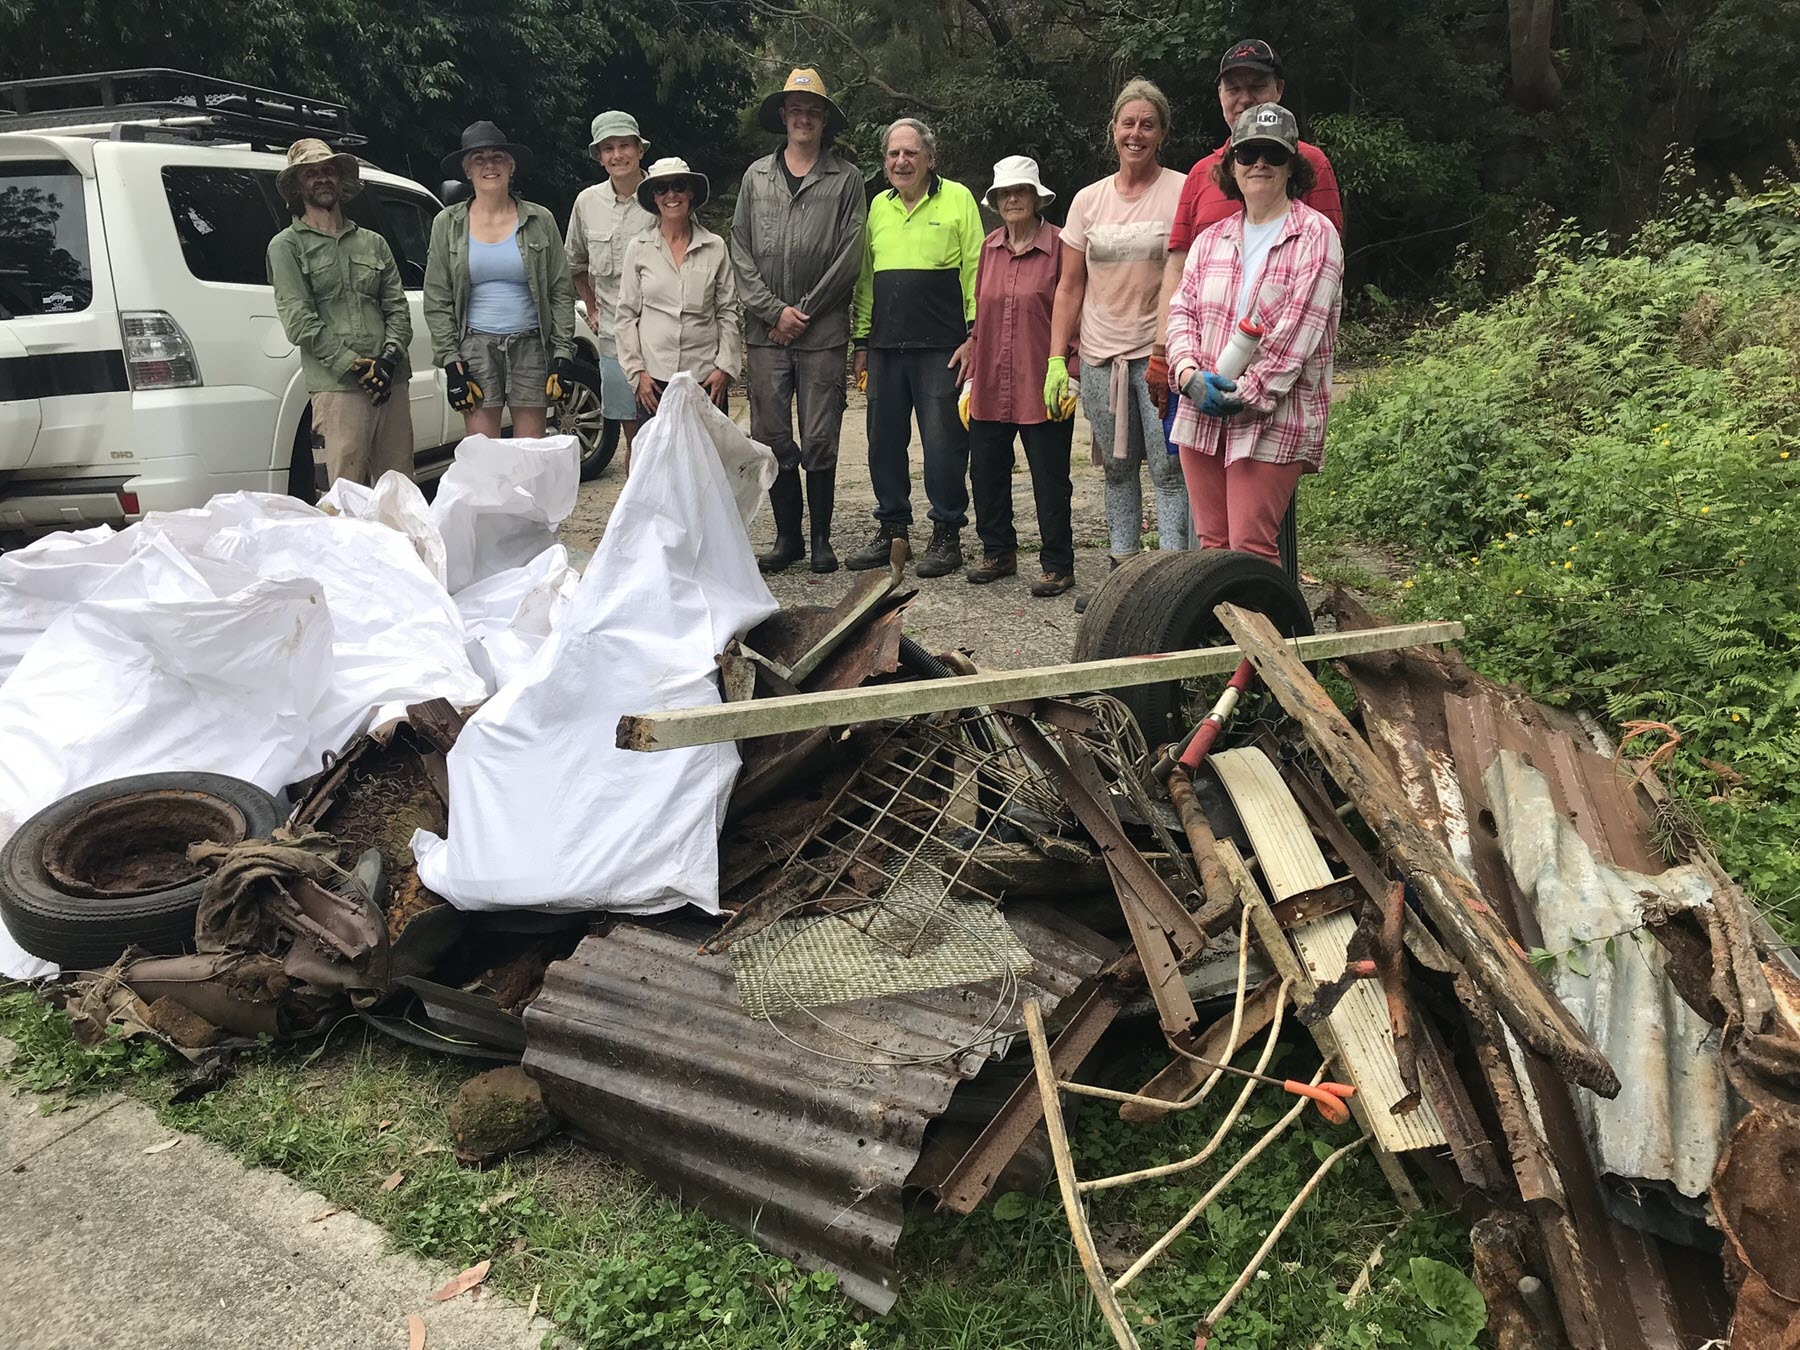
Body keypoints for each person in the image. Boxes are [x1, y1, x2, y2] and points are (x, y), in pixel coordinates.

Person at [1166, 104, 1344, 563]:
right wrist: (1187, 376)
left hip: (1273, 416)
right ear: (1231, 166)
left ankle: (1268, 637)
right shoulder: (1211, 239)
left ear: (1291, 166)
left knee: (1250, 550)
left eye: (1272, 153)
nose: (1259, 163)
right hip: (1200, 411)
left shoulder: (1316, 236)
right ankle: (1217, 637)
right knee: (1211, 552)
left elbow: (1296, 341)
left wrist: (1242, 396)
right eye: (1247, 153)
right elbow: (1181, 312)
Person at [1047, 77, 1192, 592]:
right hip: (1099, 357)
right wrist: (1054, 358)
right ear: (1113, 130)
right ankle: (1123, 578)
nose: (1136, 133)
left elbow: (1188, 276)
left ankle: (1176, 582)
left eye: (1147, 124)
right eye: (1128, 123)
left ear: (1162, 133)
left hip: (1162, 356)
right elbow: (1068, 286)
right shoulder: (1088, 201)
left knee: (1171, 471)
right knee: (1116, 468)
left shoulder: (1181, 190)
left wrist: (1170, 350)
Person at [732, 68, 866, 575]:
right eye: (795, 109)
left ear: (823, 119)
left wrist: (801, 312)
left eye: (812, 110)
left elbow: (850, 255)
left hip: (822, 332)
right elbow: (739, 248)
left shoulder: (847, 180)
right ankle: (787, 538)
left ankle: (822, 541)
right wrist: (773, 311)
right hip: (766, 336)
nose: (803, 117)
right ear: (783, 116)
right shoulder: (755, 177)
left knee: (819, 435)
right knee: (771, 435)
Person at [1157, 39, 1343, 378]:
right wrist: (1163, 354)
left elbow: (1327, 273)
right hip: (1198, 361)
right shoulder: (1200, 174)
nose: (1244, 98)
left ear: (1279, 89)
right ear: (1220, 95)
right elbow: (1178, 267)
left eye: (1257, 86)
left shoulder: (1311, 162)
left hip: (1281, 374)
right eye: (1234, 88)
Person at [847, 118, 984, 577]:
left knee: (944, 444)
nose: (901, 161)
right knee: (883, 443)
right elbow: (867, 278)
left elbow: (975, 269)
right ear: (884, 162)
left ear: (930, 158)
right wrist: (862, 341)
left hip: (941, 347)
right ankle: (892, 529)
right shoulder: (878, 208)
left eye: (910, 153)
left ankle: (947, 533)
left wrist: (974, 334)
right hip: (885, 346)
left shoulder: (959, 198)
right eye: (893, 154)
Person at [961, 156, 1078, 597]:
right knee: (986, 470)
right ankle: (998, 550)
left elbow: (1075, 310)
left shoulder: (1062, 244)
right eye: (1004, 193)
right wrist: (972, 378)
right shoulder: (989, 248)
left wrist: (1071, 371)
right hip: (992, 379)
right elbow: (981, 319)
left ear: (1035, 196)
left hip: (1042, 379)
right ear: (995, 200)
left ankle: (1058, 563)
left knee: (1050, 477)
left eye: (1021, 190)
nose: (1012, 198)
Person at [267, 139, 414, 487]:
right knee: (345, 489)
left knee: (399, 487)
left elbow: (397, 306)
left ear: (340, 180)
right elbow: (300, 321)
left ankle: (400, 544)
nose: (321, 179)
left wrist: (388, 359)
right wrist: (357, 366)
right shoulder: (286, 246)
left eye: (328, 170)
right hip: (338, 386)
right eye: (311, 173)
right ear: (297, 185)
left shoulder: (373, 242)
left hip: (391, 379)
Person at [425, 121, 578, 440]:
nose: (489, 164)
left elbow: (560, 291)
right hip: (476, 348)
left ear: (511, 167)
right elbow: (437, 299)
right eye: (478, 158)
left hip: (531, 345)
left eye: (497, 157)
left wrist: (563, 355)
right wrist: (452, 364)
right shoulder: (447, 224)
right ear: (467, 171)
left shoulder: (540, 220)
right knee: (483, 455)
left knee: (530, 455)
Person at [617, 156, 742, 416]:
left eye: (678, 186)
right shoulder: (638, 249)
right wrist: (637, 372)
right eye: (661, 189)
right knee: (656, 457)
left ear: (691, 193)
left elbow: (728, 312)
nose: (671, 195)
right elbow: (626, 315)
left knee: (708, 456)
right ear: (653, 197)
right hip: (654, 381)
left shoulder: (715, 247)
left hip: (706, 378)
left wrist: (724, 369)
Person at [566, 110, 656, 470]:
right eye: (608, 148)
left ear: (639, 150)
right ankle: (640, 514)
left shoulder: (663, 194)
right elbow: (575, 264)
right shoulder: (587, 203)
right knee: (633, 434)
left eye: (624, 146)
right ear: (599, 157)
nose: (617, 155)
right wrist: (592, 308)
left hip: (661, 336)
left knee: (667, 428)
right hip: (614, 339)